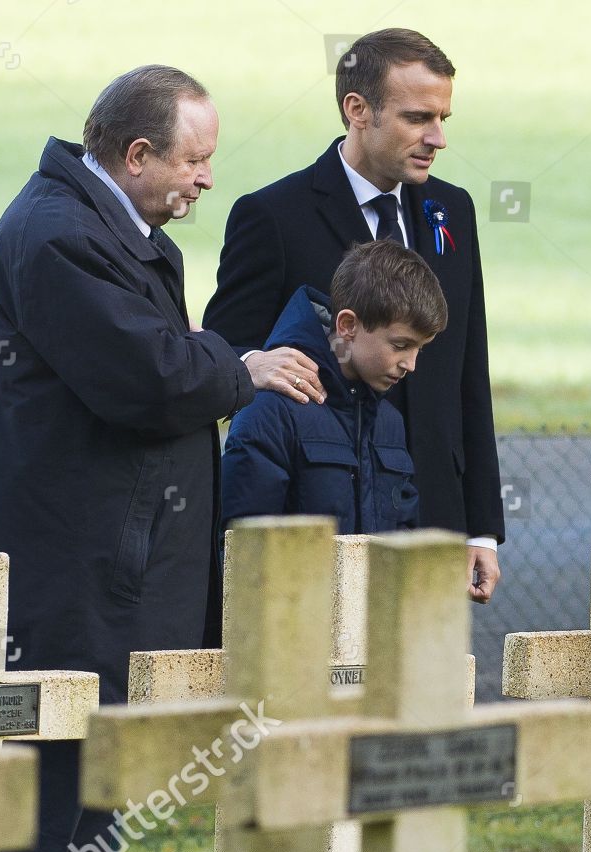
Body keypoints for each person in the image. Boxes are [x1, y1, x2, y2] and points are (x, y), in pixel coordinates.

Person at [0, 65, 276, 852]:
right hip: (74, 565)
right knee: (59, 773)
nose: (206, 179)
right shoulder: (59, 236)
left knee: (91, 772)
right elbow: (150, 378)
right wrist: (240, 364)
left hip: (110, 561)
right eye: (194, 159)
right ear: (136, 155)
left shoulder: (102, 225)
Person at [204, 27, 505, 603]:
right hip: (321, 523)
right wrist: (256, 364)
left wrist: (482, 529)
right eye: (418, 118)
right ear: (357, 110)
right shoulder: (273, 216)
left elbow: (470, 370)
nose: (437, 137)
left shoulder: (454, 212)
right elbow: (225, 347)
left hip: (433, 525)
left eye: (444, 118)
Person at [220, 239, 446, 532]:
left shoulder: (389, 423)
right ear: (348, 325)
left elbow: (402, 539)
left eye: (420, 349)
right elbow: (244, 549)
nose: (410, 364)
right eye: (401, 345)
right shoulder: (271, 413)